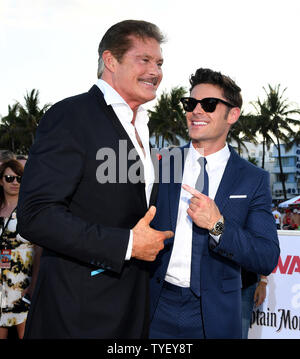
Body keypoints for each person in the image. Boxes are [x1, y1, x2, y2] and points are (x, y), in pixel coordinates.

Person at [17, 20, 173, 339]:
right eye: (143, 60)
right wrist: (127, 244)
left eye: (159, 63)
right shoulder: (70, 117)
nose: (155, 71)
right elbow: (36, 216)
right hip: (78, 316)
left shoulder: (142, 128)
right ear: (110, 61)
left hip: (131, 311)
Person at [149, 68, 280, 339]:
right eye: (190, 103)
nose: (196, 111)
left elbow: (266, 256)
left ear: (232, 114)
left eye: (208, 104)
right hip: (156, 306)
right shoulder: (161, 164)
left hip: (215, 316)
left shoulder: (252, 179)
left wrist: (217, 225)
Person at [0, 160, 40, 339]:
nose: (15, 182)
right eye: (9, 178)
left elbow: (39, 248)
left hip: (23, 284)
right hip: (1, 285)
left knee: (26, 333)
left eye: (19, 178)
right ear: (1, 181)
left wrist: (34, 283)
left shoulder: (30, 210)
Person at [241, 269, 268, 339]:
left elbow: (263, 258)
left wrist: (263, 281)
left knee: (241, 333)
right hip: (218, 282)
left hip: (247, 283)